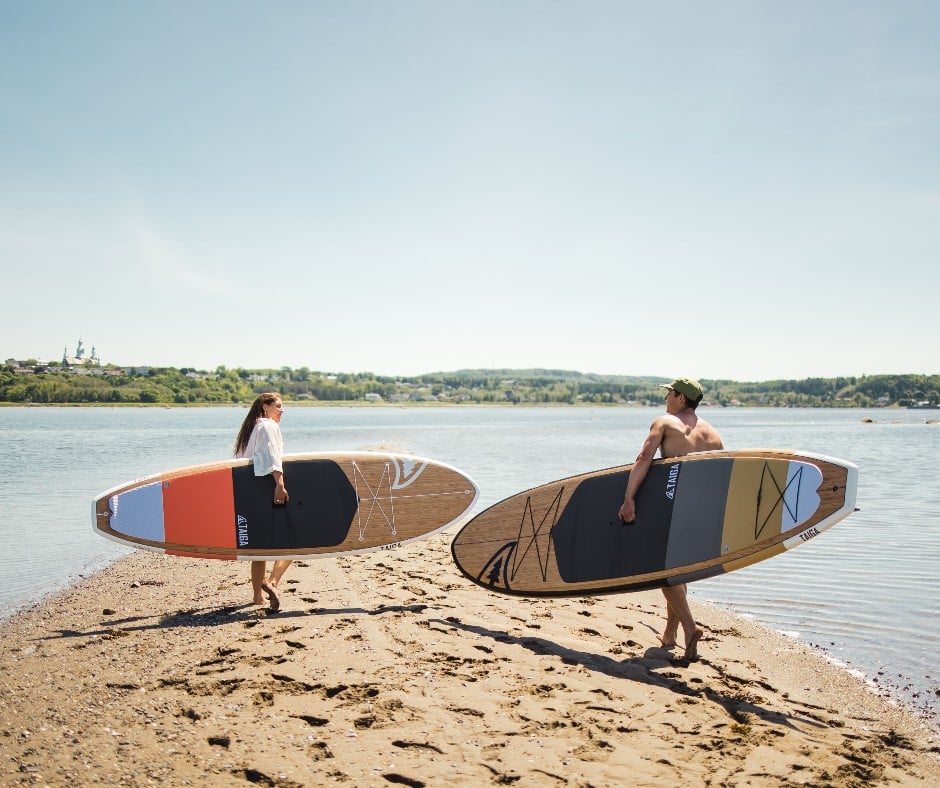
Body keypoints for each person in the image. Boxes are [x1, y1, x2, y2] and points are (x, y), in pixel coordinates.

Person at [618, 377, 723, 661]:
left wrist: (629, 498)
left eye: (670, 394)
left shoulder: (665, 422)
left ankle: (690, 627)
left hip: (674, 508)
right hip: (703, 512)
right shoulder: (713, 434)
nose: (666, 398)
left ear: (681, 398)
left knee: (662, 572)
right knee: (678, 572)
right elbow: (719, 477)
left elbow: (643, 458)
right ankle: (670, 634)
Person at [234, 392, 292, 612]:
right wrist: (280, 484)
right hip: (268, 489)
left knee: (259, 547)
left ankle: (258, 597)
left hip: (251, 491)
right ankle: (272, 582)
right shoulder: (267, 425)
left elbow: (240, 461)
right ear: (265, 407)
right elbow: (272, 456)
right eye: (278, 406)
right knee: (292, 541)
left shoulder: (251, 428)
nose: (282, 410)